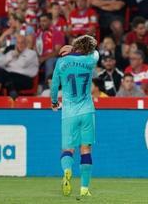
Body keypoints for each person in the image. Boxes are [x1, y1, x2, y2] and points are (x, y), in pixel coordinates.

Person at [50, 35, 99, 198]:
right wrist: (77, 49)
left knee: (68, 149)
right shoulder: (90, 61)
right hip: (87, 111)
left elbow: (54, 84)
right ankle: (84, 189)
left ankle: (67, 171)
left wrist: (54, 102)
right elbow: (96, 52)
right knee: (86, 149)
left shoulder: (61, 62)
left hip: (69, 113)